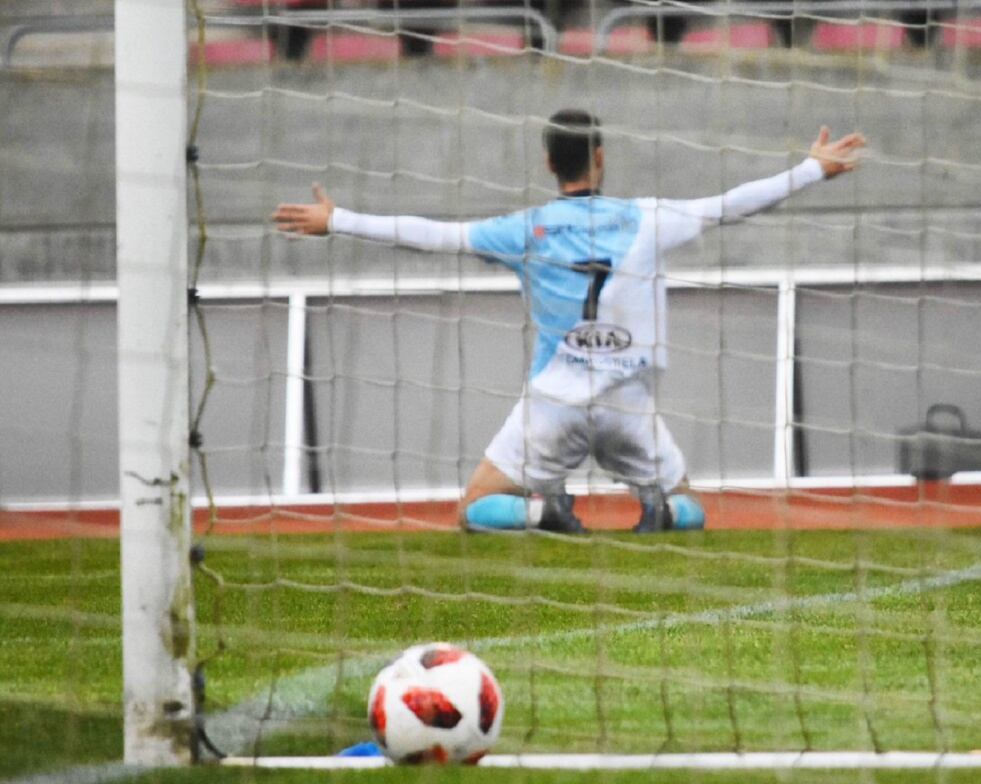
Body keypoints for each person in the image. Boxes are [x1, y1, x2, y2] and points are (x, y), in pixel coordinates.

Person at [273, 109, 864, 533]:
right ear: (601, 158)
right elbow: (733, 204)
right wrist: (811, 169)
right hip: (628, 405)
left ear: (550, 163)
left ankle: (541, 511)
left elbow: (432, 236)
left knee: (475, 508)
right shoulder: (651, 218)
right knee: (691, 509)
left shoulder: (522, 229)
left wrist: (340, 219)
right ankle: (660, 510)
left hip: (554, 404)